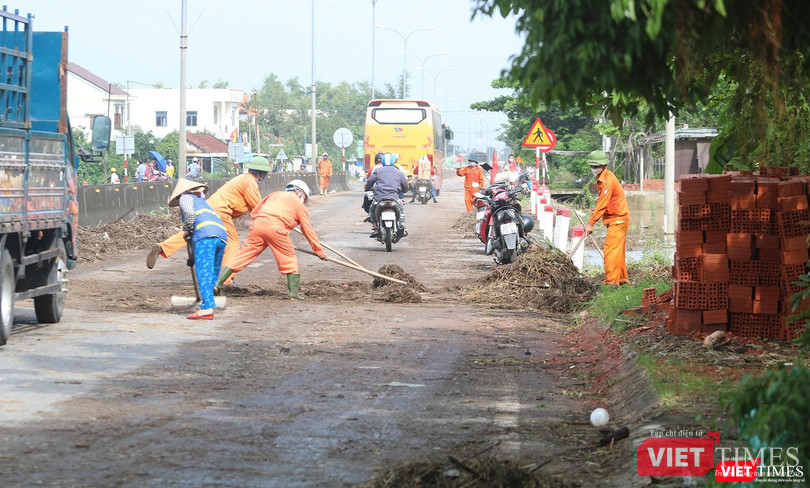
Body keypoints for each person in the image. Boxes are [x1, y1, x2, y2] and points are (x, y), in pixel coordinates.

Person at [147, 156, 270, 286]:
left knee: (192, 231)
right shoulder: (249, 181)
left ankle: (162, 247)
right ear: (262, 173)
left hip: (208, 208)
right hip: (221, 212)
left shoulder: (242, 179)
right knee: (233, 243)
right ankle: (225, 279)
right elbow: (257, 206)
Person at [214, 180, 327, 300]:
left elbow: (254, 213)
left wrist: (266, 224)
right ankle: (293, 293)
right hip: (276, 228)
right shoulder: (299, 205)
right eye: (304, 197)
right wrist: (319, 251)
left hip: (257, 225)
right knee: (288, 257)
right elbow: (308, 230)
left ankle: (218, 283)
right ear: (299, 192)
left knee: (243, 255)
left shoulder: (274, 194)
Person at [168, 179, 228, 320]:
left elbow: (189, 215)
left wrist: (187, 230)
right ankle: (209, 300)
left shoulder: (186, 197)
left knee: (204, 273)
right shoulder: (204, 204)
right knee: (212, 271)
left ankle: (207, 308)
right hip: (221, 236)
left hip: (205, 236)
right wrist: (192, 258)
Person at [583, 150, 630, 285]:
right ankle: (621, 279)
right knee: (618, 251)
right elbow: (605, 202)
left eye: (595, 166)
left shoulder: (607, 180)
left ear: (603, 165)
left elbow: (603, 203)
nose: (593, 169)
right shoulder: (604, 178)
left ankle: (611, 282)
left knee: (610, 250)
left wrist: (590, 223)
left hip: (618, 219)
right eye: (591, 166)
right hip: (618, 218)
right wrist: (597, 210)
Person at [365, 152, 409, 238]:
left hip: (379, 198)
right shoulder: (399, 172)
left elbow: (370, 182)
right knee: (401, 209)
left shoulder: (378, 171)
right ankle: (402, 227)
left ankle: (375, 228)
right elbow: (405, 186)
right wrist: (403, 190)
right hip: (394, 198)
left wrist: (368, 188)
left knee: (372, 209)